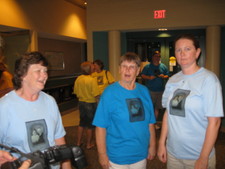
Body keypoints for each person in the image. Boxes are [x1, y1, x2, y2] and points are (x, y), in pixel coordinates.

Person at [157, 34, 224, 169]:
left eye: (187, 49)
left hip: (197, 155)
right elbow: (167, 114)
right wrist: (161, 143)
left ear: (197, 52)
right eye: (178, 50)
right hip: (173, 153)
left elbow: (215, 122)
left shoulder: (209, 80)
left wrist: (203, 157)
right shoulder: (172, 80)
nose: (182, 53)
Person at [0, 52, 72, 169]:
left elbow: (59, 138)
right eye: (38, 71)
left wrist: (66, 166)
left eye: (45, 71)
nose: (44, 75)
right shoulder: (4, 106)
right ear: (22, 74)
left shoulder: (50, 101)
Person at [93, 52, 156, 169]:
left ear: (138, 71)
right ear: (119, 70)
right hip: (117, 156)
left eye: (132, 67)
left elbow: (150, 122)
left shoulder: (144, 91)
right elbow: (100, 126)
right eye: (124, 66)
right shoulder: (109, 93)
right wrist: (102, 154)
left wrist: (152, 145)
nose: (127, 70)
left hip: (140, 154)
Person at [74, 61, 100, 149]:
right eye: (93, 67)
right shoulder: (92, 80)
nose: (94, 68)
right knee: (90, 125)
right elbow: (96, 94)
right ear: (90, 69)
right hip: (91, 103)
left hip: (81, 103)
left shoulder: (78, 79)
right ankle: (88, 144)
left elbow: (76, 92)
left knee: (81, 123)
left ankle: (78, 142)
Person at [141, 51, 169, 129]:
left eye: (158, 56)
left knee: (157, 108)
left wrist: (164, 76)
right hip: (150, 90)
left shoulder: (163, 66)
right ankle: (148, 124)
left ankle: (154, 123)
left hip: (160, 91)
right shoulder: (147, 67)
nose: (157, 58)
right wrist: (149, 78)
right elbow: (142, 75)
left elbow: (168, 75)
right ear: (152, 57)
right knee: (149, 108)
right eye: (156, 56)